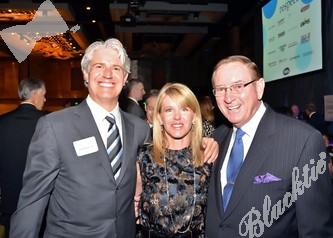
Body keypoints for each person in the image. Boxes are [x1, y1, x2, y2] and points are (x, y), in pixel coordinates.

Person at [10, 38, 218, 238]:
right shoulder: (55, 126)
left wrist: (205, 141)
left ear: (125, 77)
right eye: (99, 66)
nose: (108, 74)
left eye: (116, 68)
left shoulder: (138, 129)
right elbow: (33, 200)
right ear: (85, 73)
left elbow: (171, 144)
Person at [206, 55, 333, 237]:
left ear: (259, 88)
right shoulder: (216, 138)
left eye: (238, 86)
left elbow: (315, 231)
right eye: (221, 89)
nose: (228, 97)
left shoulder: (302, 141)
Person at [136, 83, 211, 238]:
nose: (177, 117)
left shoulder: (209, 156)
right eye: (169, 110)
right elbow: (132, 202)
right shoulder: (144, 157)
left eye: (184, 109)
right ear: (159, 118)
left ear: (195, 117)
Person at [0, 78, 46, 238]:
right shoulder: (49, 122)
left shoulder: (2, 122)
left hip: (9, 203)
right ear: (36, 93)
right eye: (44, 95)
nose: (45, 99)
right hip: (41, 204)